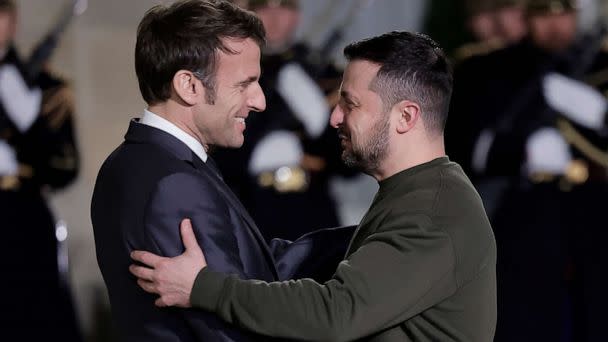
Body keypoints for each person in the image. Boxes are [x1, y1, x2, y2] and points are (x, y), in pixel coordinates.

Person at [129, 31, 498, 341]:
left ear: (406, 116)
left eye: (349, 104)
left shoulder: (433, 211)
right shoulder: (417, 194)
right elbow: (323, 259)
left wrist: (203, 288)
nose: (334, 117)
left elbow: (335, 312)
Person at [90, 1, 353, 341]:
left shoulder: (146, 160)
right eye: (245, 84)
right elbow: (230, 327)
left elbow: (251, 267)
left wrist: (375, 231)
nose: (259, 101)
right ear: (189, 86)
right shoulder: (175, 183)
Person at [447, 0, 608, 340]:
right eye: (543, 14)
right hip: (523, 215)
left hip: (595, 213)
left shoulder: (599, 64)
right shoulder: (486, 68)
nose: (555, 25)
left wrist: (600, 118)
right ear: (527, 16)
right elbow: (464, 147)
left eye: (564, 13)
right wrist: (521, 151)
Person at [215, 0, 353, 241]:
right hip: (248, 213)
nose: (275, 17)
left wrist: (322, 126)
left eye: (285, 6)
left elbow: (350, 166)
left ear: (297, 15)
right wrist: (254, 148)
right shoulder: (228, 70)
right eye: (264, 6)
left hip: (313, 216)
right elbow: (214, 154)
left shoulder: (323, 73)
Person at [0, 0, 82, 340]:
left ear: (12, 21)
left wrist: (31, 124)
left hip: (20, 222)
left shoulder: (46, 88)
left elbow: (66, 167)